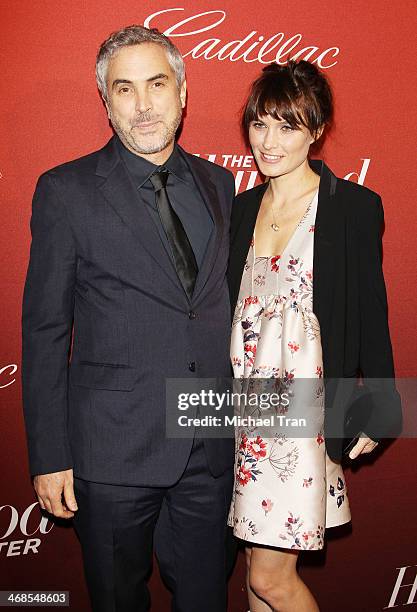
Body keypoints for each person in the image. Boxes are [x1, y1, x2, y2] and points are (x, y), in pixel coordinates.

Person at [21, 25, 236, 612]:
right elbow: (44, 331)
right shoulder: (65, 191)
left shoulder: (221, 184)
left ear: (183, 91)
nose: (143, 105)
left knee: (206, 600)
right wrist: (49, 454)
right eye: (124, 89)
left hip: (209, 448)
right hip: (111, 449)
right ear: (106, 100)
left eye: (157, 84)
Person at [226, 61, 402, 612]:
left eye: (288, 126)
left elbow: (373, 312)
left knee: (270, 579)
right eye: (260, 125)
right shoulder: (242, 208)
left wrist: (380, 403)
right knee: (255, 575)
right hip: (247, 412)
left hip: (307, 414)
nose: (269, 141)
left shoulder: (352, 208)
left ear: (316, 130)